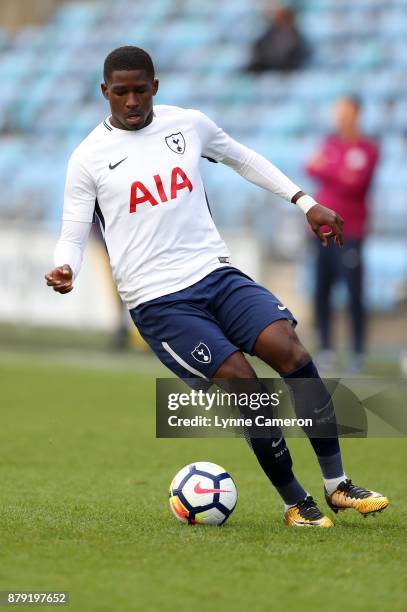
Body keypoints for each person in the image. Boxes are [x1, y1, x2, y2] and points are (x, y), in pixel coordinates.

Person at [45, 46, 388, 527]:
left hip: (215, 273)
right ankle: (295, 501)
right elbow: (73, 230)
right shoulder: (88, 158)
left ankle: (337, 485)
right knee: (243, 382)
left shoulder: (188, 124)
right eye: (119, 92)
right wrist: (66, 266)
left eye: (139, 90)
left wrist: (305, 201)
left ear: (155, 87)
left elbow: (243, 159)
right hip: (158, 300)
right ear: (105, 92)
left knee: (291, 352)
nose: (130, 101)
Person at [306, 96, 379, 372]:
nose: (339, 116)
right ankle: (325, 347)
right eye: (337, 111)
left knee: (354, 292)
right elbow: (311, 167)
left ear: (357, 114)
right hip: (320, 230)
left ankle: (357, 350)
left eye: (344, 111)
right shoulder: (330, 143)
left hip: (352, 231)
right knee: (321, 290)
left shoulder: (368, 149)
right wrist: (338, 171)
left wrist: (328, 169)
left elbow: (356, 183)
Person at [247, 6, 309, 73]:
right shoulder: (271, 31)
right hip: (267, 63)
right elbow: (258, 46)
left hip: (286, 66)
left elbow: (301, 54)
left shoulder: (296, 35)